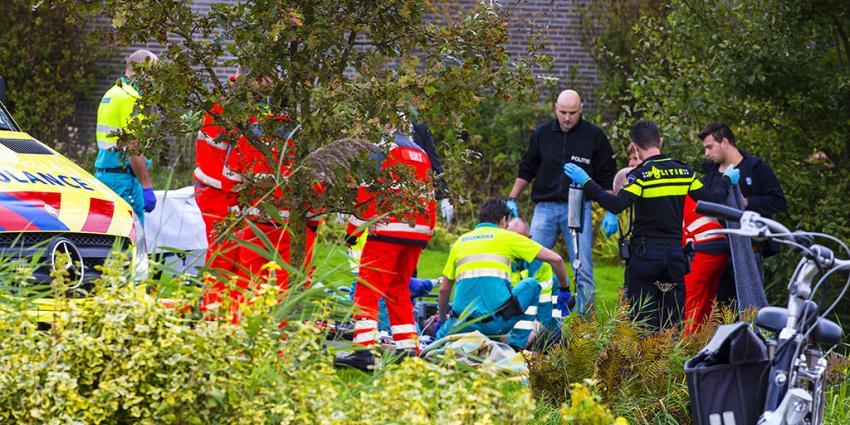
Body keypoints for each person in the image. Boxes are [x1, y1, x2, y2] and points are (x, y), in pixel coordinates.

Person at [564, 120, 737, 330]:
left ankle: (646, 362)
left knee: (643, 322)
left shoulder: (640, 176)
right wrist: (726, 179)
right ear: (660, 142)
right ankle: (669, 361)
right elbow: (712, 201)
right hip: (675, 257)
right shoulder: (684, 172)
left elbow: (616, 204)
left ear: (635, 147)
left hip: (646, 255)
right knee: (672, 321)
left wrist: (586, 182)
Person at [335, 121, 438, 369]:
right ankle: (407, 350)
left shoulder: (380, 147)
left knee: (367, 289)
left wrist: (353, 230)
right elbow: (429, 191)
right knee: (398, 290)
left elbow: (367, 192)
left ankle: (363, 351)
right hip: (418, 230)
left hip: (387, 228)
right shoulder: (419, 152)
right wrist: (428, 230)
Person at [507, 89, 617, 315]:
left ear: (581, 110)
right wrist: (512, 198)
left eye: (572, 113)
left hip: (578, 207)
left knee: (582, 266)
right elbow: (527, 167)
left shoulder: (594, 136)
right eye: (563, 112)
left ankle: (585, 325)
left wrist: (611, 210)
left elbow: (606, 175)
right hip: (545, 208)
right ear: (555, 108)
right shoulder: (543, 134)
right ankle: (530, 316)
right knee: (532, 262)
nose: (567, 118)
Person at [435, 199, 570, 341]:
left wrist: (443, 320)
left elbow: (444, 290)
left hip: (461, 323)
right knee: (532, 284)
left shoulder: (459, 242)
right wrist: (564, 290)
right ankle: (521, 342)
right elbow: (557, 260)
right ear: (503, 220)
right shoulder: (508, 237)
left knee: (435, 345)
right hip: (495, 324)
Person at [697, 122, 787, 303]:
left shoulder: (756, 168)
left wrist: (746, 202)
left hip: (749, 251)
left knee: (751, 307)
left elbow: (778, 201)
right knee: (721, 310)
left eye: (709, 147)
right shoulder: (710, 176)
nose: (707, 153)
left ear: (724, 142)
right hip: (718, 254)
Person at [94, 49, 158, 224]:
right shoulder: (132, 98)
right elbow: (134, 148)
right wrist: (146, 186)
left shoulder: (111, 94)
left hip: (104, 176)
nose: (155, 81)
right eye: (154, 74)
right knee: (131, 242)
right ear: (143, 72)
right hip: (123, 180)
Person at [505, 217, 563, 350]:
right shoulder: (500, 259)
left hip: (534, 323)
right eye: (510, 238)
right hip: (505, 322)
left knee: (552, 335)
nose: (514, 244)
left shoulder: (541, 266)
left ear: (529, 239)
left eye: (519, 239)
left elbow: (544, 313)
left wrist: (528, 338)